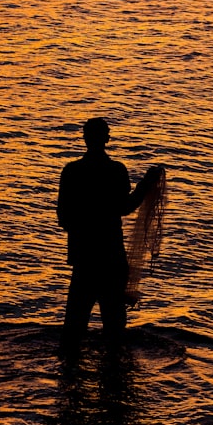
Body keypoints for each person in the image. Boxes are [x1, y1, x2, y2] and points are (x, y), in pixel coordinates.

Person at [57, 117, 162, 355]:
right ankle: (114, 379)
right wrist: (145, 185)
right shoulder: (116, 170)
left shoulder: (72, 171)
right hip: (111, 259)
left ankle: (69, 381)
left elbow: (63, 217)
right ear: (107, 138)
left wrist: (83, 224)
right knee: (114, 330)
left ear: (84, 138)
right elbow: (125, 207)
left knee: (73, 329)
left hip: (83, 260)